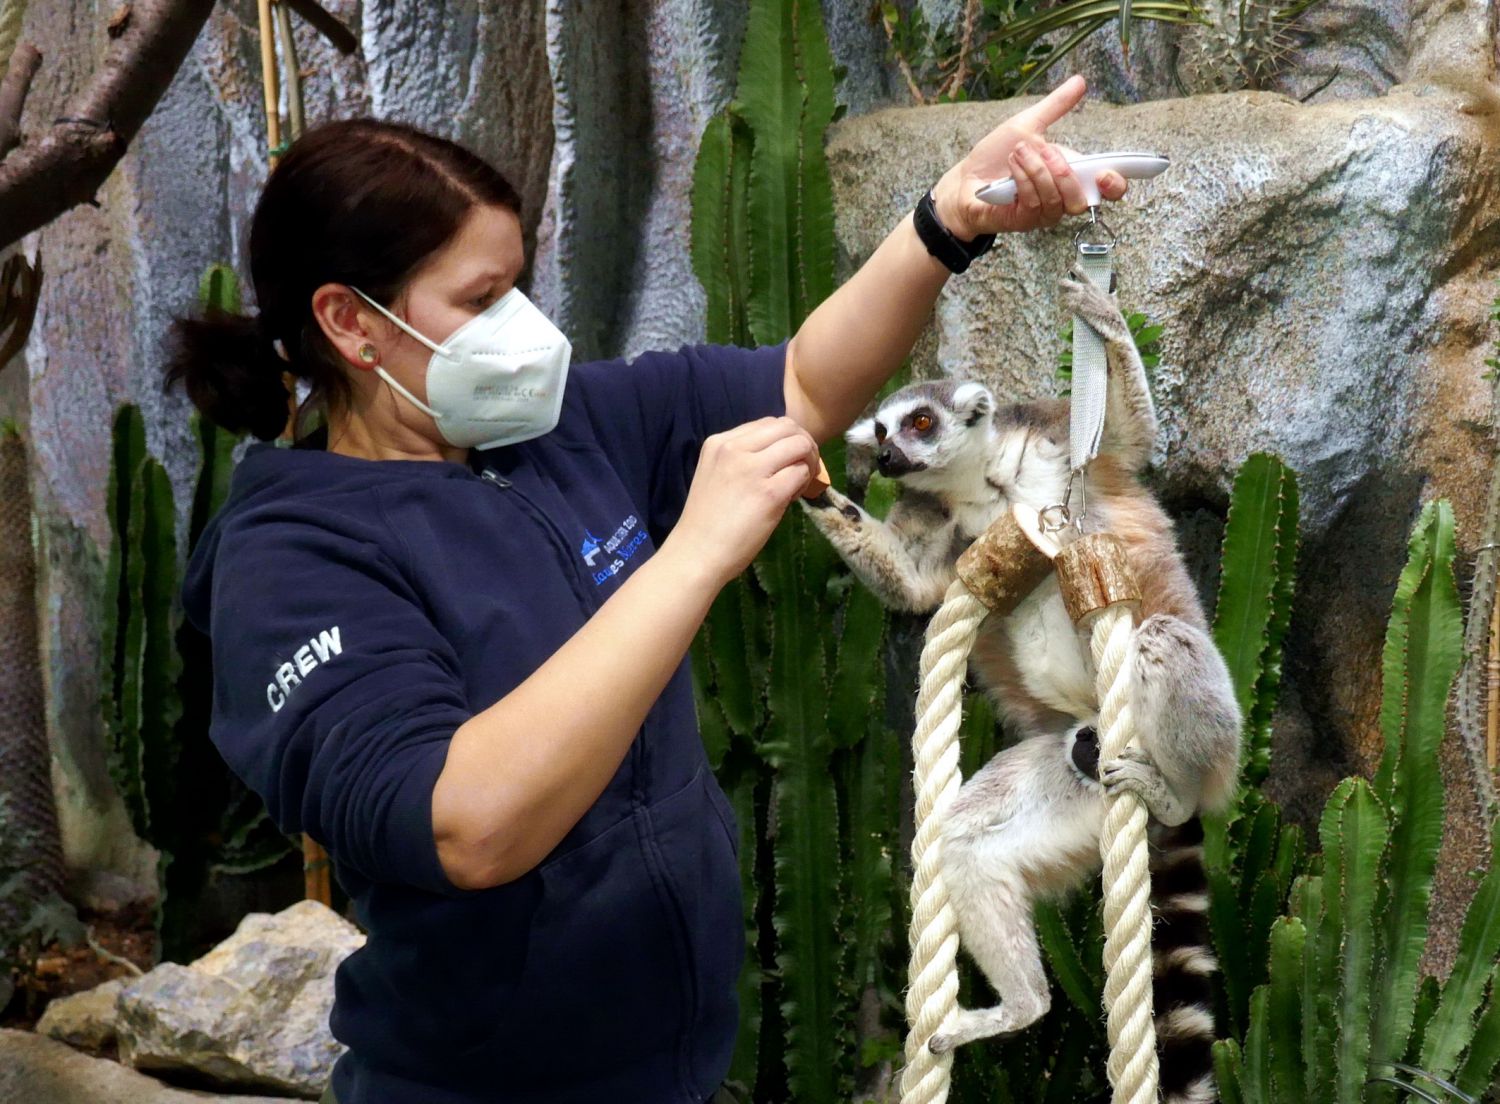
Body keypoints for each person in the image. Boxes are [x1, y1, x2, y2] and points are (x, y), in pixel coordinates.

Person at [165, 74, 1125, 1104]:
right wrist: (691, 555)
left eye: (518, 285)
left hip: (673, 1066)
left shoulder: (553, 426)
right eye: (482, 300)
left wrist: (945, 224)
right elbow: (469, 824)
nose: (523, 325)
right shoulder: (288, 561)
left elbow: (803, 385)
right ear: (350, 325)